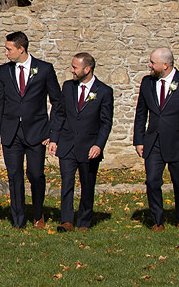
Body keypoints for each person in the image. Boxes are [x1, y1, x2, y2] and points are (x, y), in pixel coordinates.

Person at [0, 30, 61, 229]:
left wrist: (52, 133)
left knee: (36, 173)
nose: (6, 53)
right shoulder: (4, 71)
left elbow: (57, 102)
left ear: (21, 49)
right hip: (11, 132)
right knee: (14, 175)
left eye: (9, 49)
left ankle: (38, 213)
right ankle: (18, 219)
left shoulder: (45, 69)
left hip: (37, 132)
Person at [133, 47, 179, 230]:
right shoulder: (147, 83)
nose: (149, 65)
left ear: (165, 65)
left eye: (152, 63)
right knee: (152, 181)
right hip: (153, 142)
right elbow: (140, 113)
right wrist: (139, 140)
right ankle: (157, 220)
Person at [48, 52, 114, 231]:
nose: (71, 70)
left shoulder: (104, 91)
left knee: (87, 185)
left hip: (89, 146)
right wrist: (54, 138)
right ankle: (67, 220)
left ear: (87, 69)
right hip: (67, 145)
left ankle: (84, 221)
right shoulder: (68, 87)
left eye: (75, 67)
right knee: (66, 183)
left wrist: (98, 145)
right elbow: (59, 113)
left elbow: (106, 122)